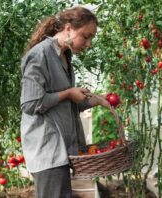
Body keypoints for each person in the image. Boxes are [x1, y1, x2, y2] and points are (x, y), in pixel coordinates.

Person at [20, 6, 110, 198]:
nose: (89, 43)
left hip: (60, 148)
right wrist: (68, 93)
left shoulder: (64, 56)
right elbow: (30, 104)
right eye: (86, 36)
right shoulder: (40, 55)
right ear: (68, 28)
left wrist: (97, 100)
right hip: (47, 148)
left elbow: (63, 106)